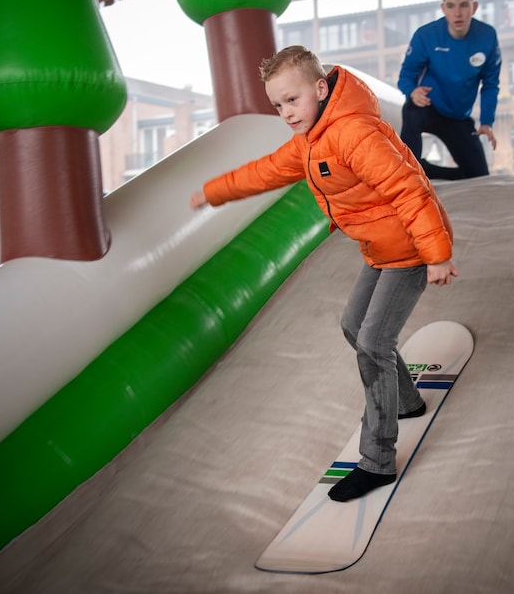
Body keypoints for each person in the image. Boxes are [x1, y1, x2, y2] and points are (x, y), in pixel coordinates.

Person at [190, 46, 458, 502]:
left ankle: (376, 462)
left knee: (373, 343)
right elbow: (265, 172)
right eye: (277, 105)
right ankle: (408, 402)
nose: (286, 113)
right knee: (354, 326)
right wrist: (214, 192)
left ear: (319, 88)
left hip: (410, 248)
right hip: (380, 248)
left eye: (292, 100)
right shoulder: (312, 139)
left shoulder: (353, 133)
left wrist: (437, 253)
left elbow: (408, 189)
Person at [397, 0, 501, 181]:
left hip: (458, 117)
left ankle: (427, 170)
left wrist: (487, 122)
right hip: (428, 106)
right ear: (443, 8)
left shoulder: (487, 37)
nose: (458, 13)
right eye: (451, 6)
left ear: (474, 6)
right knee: (411, 109)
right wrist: (413, 91)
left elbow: (490, 84)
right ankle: (409, 174)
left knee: (479, 176)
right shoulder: (426, 36)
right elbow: (406, 76)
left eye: (464, 5)